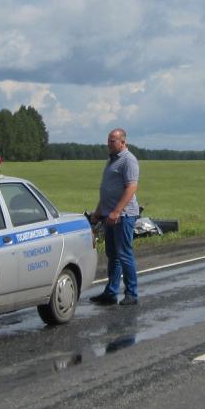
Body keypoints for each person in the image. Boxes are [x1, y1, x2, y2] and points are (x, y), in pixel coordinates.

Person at [90, 127, 140, 306]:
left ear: (123, 142)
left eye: (113, 141)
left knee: (124, 254)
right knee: (113, 254)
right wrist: (98, 212)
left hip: (123, 215)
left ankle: (132, 293)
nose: (109, 144)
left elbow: (131, 187)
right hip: (109, 215)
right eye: (108, 141)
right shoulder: (111, 160)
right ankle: (111, 292)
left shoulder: (128, 160)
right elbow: (107, 190)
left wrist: (117, 211)